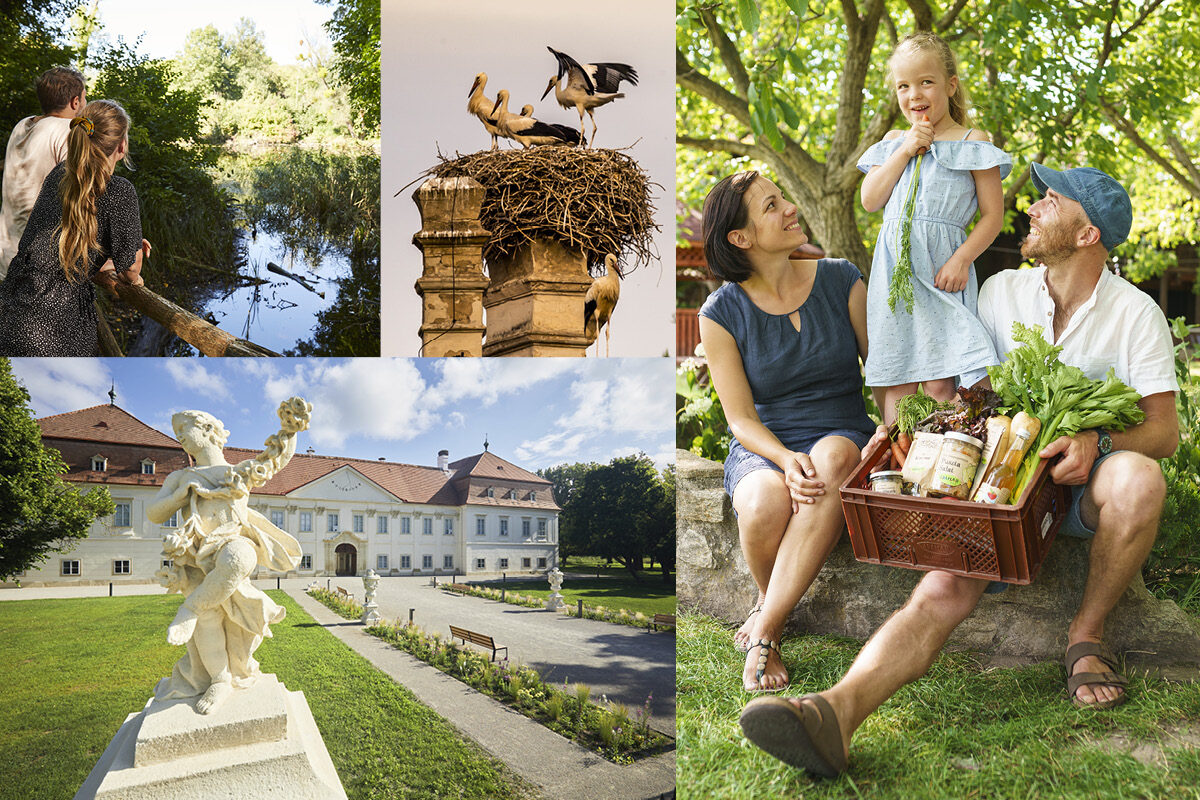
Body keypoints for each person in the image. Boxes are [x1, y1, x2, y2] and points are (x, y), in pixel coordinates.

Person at [738, 165, 1179, 778]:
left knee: (1139, 477)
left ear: (1087, 235)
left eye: (1054, 201)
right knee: (942, 588)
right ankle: (833, 713)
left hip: (1080, 486)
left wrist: (1096, 437)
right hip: (997, 484)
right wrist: (933, 409)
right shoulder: (999, 292)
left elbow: (1166, 432)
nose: (1034, 206)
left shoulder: (1136, 314)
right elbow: (959, 384)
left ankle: (1086, 638)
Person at [697, 170, 887, 692]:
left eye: (784, 198)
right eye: (771, 206)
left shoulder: (841, 279)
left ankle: (767, 630)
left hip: (840, 430)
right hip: (766, 442)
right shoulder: (719, 314)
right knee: (761, 503)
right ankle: (771, 601)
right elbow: (740, 420)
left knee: (829, 464)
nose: (789, 210)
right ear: (742, 239)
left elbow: (884, 373)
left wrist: (893, 431)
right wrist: (782, 459)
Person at [857, 32, 1010, 424]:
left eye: (926, 82)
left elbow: (993, 216)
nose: (914, 94)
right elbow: (871, 199)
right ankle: (895, 466)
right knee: (898, 379)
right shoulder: (894, 141)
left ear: (950, 85)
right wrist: (906, 149)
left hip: (943, 271)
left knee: (942, 381)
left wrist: (962, 259)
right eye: (903, 86)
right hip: (896, 277)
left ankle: (945, 465)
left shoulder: (973, 142)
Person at [148, 399, 310, 715]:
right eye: (176, 430)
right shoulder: (181, 478)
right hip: (196, 558)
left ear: (208, 430)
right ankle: (220, 681)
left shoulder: (239, 472)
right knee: (209, 622)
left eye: (184, 428)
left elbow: (277, 458)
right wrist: (185, 491)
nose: (178, 435)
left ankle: (189, 608)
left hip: (231, 546)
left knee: (239, 556)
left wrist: (291, 429)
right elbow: (155, 513)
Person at [0, 99, 148, 356]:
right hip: (59, 328)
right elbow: (130, 273)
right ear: (122, 146)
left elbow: (61, 243)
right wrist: (133, 249)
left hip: (11, 308)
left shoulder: (59, 174)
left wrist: (102, 257)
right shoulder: (120, 191)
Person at [0, 66, 87, 276]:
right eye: (85, 98)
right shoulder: (69, 131)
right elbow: (80, 196)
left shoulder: (23, 125)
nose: (85, 104)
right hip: (38, 263)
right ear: (75, 102)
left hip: (6, 253)